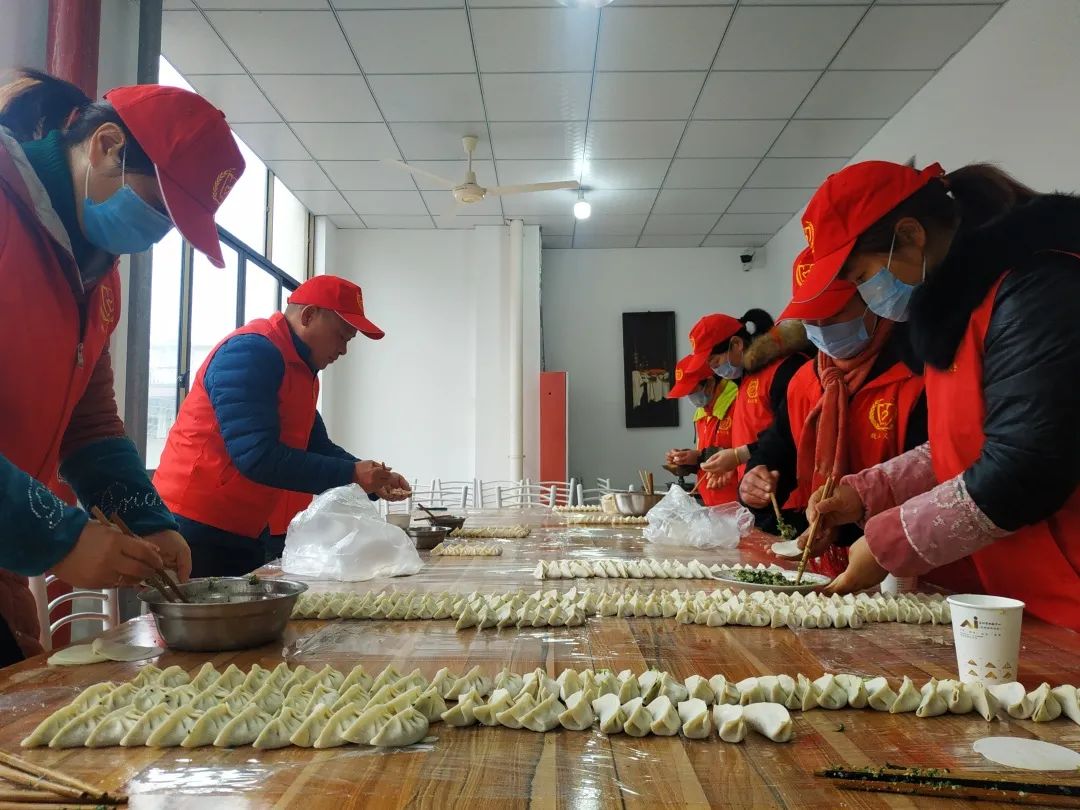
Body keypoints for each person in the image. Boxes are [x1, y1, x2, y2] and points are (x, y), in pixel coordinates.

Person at [0, 69, 245, 663]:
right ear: (107, 145)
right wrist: (59, 537)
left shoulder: (96, 276)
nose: (156, 233)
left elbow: (89, 424)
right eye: (159, 207)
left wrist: (144, 517)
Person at [791, 160, 1080, 628]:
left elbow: (1028, 464)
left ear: (910, 235)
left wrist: (888, 543)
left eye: (863, 277)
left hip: (1069, 594)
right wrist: (866, 492)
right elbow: (956, 445)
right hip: (1019, 598)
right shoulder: (954, 313)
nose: (867, 295)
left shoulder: (1038, 288)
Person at [153, 274, 412, 577]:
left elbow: (316, 446)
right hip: (194, 525)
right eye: (341, 336)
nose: (343, 350)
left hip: (244, 528)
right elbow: (257, 457)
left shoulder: (301, 370)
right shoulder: (250, 352)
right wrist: (353, 474)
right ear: (308, 315)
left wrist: (373, 479)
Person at [740, 245, 927, 569]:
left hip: (902, 565)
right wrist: (756, 480)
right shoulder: (806, 380)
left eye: (833, 313)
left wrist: (846, 527)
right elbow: (778, 448)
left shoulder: (916, 371)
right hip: (821, 564)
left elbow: (933, 478)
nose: (821, 326)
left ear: (870, 298)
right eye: (810, 318)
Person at [695, 310, 813, 532]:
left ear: (737, 344)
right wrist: (737, 464)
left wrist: (739, 455)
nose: (715, 371)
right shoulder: (746, 378)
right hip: (757, 500)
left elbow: (793, 435)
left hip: (789, 502)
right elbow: (754, 433)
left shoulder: (785, 370)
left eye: (715, 361)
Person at [665, 314, 742, 505]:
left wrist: (699, 456)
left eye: (692, 391)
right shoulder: (702, 413)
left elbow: (746, 450)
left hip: (738, 502)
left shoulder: (737, 402)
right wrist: (687, 459)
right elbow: (707, 455)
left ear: (709, 383)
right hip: (712, 503)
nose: (691, 398)